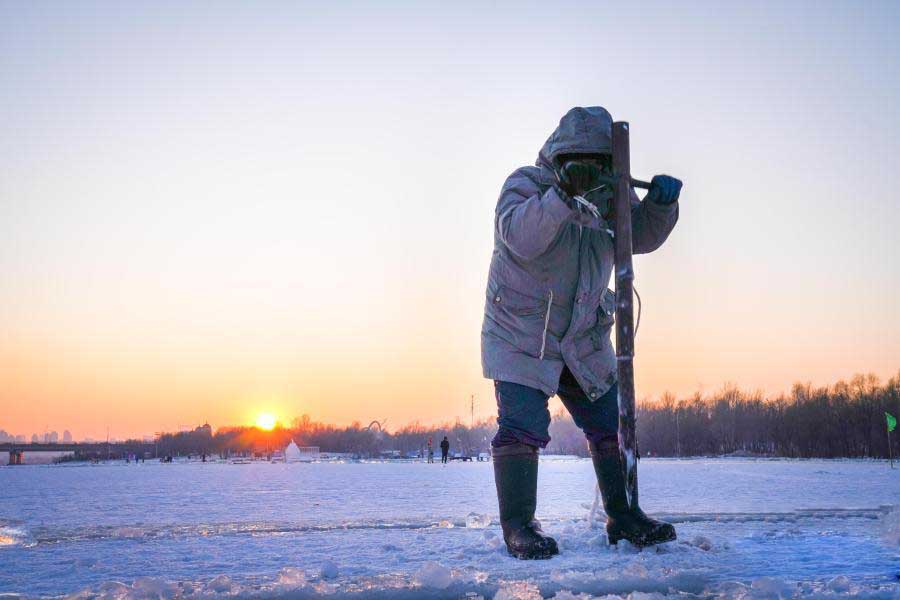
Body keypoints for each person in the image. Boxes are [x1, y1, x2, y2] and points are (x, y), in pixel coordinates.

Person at [481, 107, 681, 560]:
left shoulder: (611, 199)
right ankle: (518, 526)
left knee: (611, 423)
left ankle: (623, 515)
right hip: (521, 333)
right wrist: (563, 197)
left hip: (583, 335)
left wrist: (660, 206)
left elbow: (639, 237)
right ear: (559, 154)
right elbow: (520, 235)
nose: (590, 169)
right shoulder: (527, 185)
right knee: (522, 426)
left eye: (599, 160)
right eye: (579, 158)